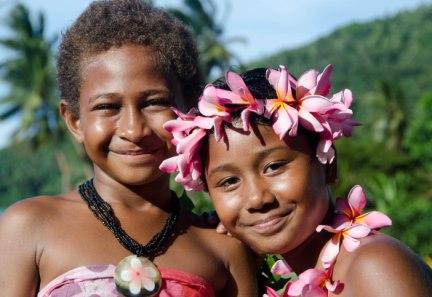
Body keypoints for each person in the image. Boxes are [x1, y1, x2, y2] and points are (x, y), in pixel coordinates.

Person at [0, 1, 257, 296]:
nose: (134, 130)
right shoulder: (29, 227)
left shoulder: (223, 247)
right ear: (74, 121)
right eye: (107, 106)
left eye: (154, 102)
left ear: (191, 110)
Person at [160, 66, 432, 296]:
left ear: (328, 166)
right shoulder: (304, 274)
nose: (258, 199)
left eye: (274, 167)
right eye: (229, 182)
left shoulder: (372, 264)